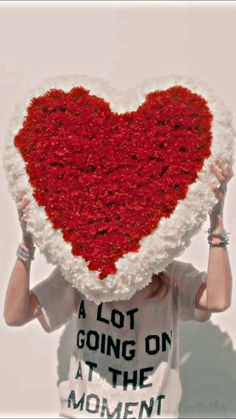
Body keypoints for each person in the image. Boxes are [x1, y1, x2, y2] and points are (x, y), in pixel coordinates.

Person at [3, 158, 233, 419]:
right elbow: (15, 315)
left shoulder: (173, 277)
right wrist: (27, 243)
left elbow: (218, 299)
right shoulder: (82, 270)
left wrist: (216, 221)